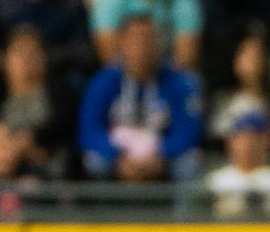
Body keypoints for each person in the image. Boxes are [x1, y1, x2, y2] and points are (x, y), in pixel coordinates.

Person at [77, 12, 202, 181]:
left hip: (161, 154)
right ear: (122, 43)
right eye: (136, 39)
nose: (143, 46)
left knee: (189, 164)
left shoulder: (180, 82)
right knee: (95, 162)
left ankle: (184, 209)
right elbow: (90, 130)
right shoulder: (103, 82)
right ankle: (101, 208)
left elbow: (187, 130)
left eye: (149, 39)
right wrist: (118, 156)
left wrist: (161, 153)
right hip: (118, 154)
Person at [0, 24, 73, 183]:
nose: (25, 59)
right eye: (19, 52)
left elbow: (62, 129)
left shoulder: (60, 93)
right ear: (6, 59)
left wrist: (32, 140)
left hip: (42, 161)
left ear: (44, 58)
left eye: (32, 52)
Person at [209, 22, 270, 151]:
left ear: (267, 60)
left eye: (257, 54)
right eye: (246, 54)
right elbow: (218, 135)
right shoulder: (224, 99)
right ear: (235, 62)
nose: (252, 60)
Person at [203, 110, 270, 216]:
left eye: (256, 138)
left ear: (268, 141)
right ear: (231, 141)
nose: (249, 144)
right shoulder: (215, 179)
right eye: (242, 138)